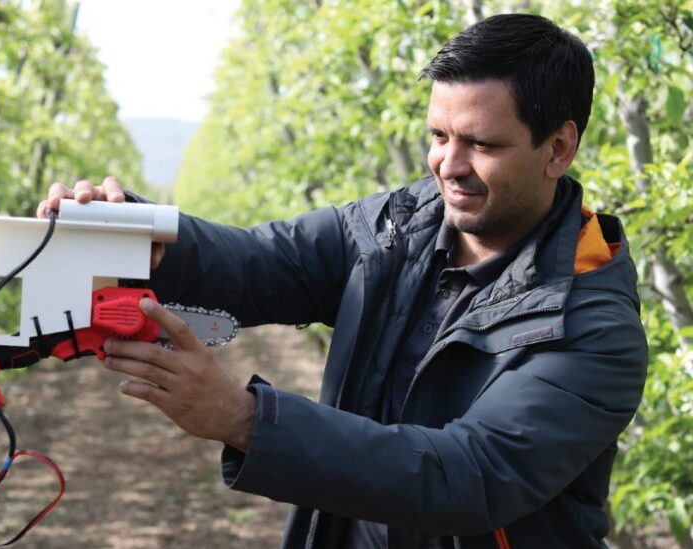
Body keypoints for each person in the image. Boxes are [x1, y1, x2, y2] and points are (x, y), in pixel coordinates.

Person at [39, 13, 647, 548]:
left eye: (481, 144)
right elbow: (257, 264)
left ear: (558, 148)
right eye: (438, 136)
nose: (448, 165)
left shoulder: (590, 324)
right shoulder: (396, 227)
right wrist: (142, 230)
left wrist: (247, 420)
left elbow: (468, 477)